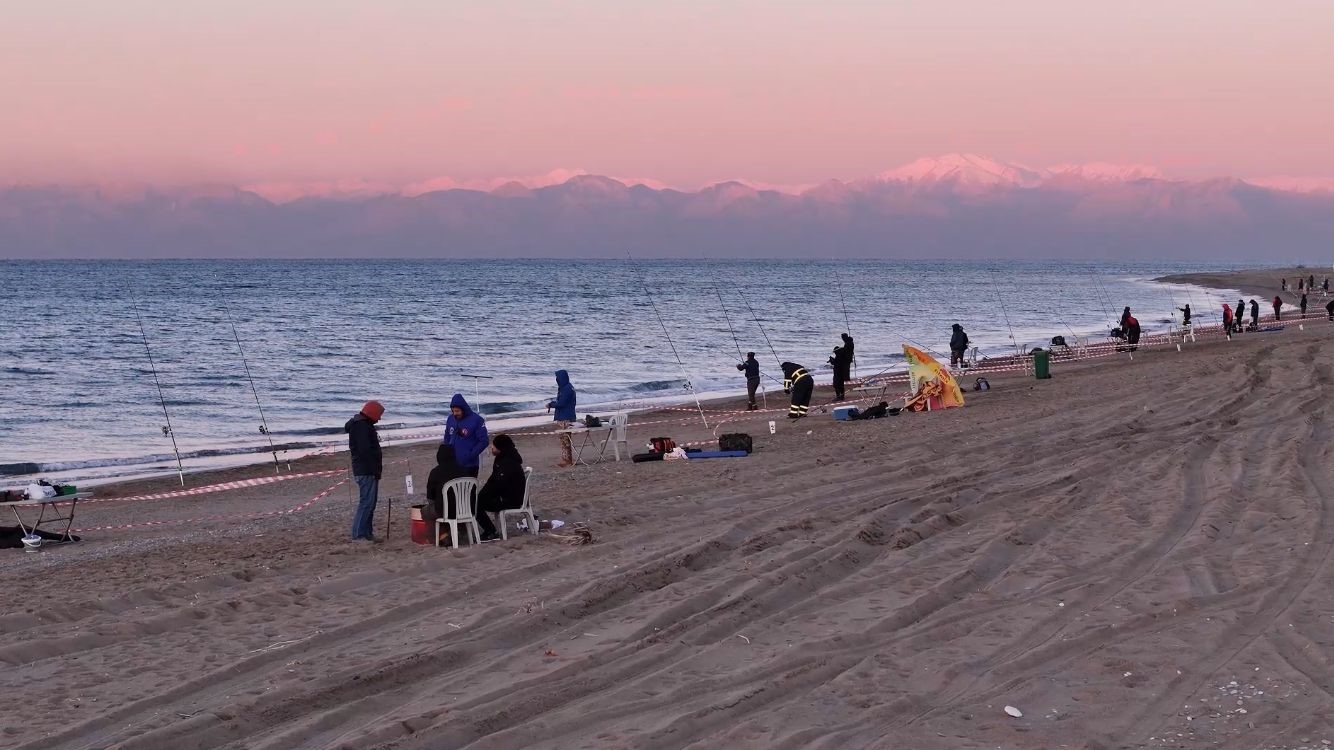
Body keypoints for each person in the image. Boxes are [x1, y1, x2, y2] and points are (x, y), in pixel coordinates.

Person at [475, 434, 528, 541]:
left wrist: (485, 495)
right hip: (507, 495)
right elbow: (494, 480)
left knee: (475, 505)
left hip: (510, 500)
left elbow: (499, 484)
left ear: (500, 447)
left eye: (494, 446)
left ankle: (491, 531)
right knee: (478, 500)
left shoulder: (508, 462)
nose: (491, 448)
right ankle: (490, 530)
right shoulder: (504, 458)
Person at [345, 400, 384, 542]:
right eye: (378, 415)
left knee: (370, 503)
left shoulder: (363, 424)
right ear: (371, 412)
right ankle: (359, 534)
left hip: (368, 469)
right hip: (366, 470)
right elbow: (364, 451)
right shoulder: (361, 426)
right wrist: (374, 469)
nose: (379, 419)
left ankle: (366, 533)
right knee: (366, 502)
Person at [443, 393, 488, 478]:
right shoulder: (450, 419)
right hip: (453, 463)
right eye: (453, 411)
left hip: (470, 465)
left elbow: (484, 441)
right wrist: (446, 450)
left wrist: (471, 455)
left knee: (469, 490)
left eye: (457, 411)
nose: (455, 413)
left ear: (463, 409)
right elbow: (447, 435)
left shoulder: (477, 420)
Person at [425, 443, 470, 524]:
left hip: (444, 511)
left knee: (425, 512)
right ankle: (460, 529)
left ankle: (442, 533)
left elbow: (430, 497)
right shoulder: (463, 470)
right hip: (465, 509)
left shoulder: (435, 472)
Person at [547, 369, 576, 467]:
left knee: (565, 439)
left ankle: (567, 460)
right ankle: (567, 459)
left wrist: (551, 404)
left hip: (565, 417)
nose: (556, 380)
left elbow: (562, 403)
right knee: (565, 439)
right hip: (566, 416)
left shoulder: (566, 389)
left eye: (558, 378)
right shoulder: (566, 387)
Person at [828, 333, 854, 401]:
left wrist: (832, 361)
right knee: (841, 384)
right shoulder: (847, 345)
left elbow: (836, 363)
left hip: (838, 372)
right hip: (842, 371)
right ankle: (841, 397)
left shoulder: (841, 354)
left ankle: (838, 396)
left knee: (837, 384)